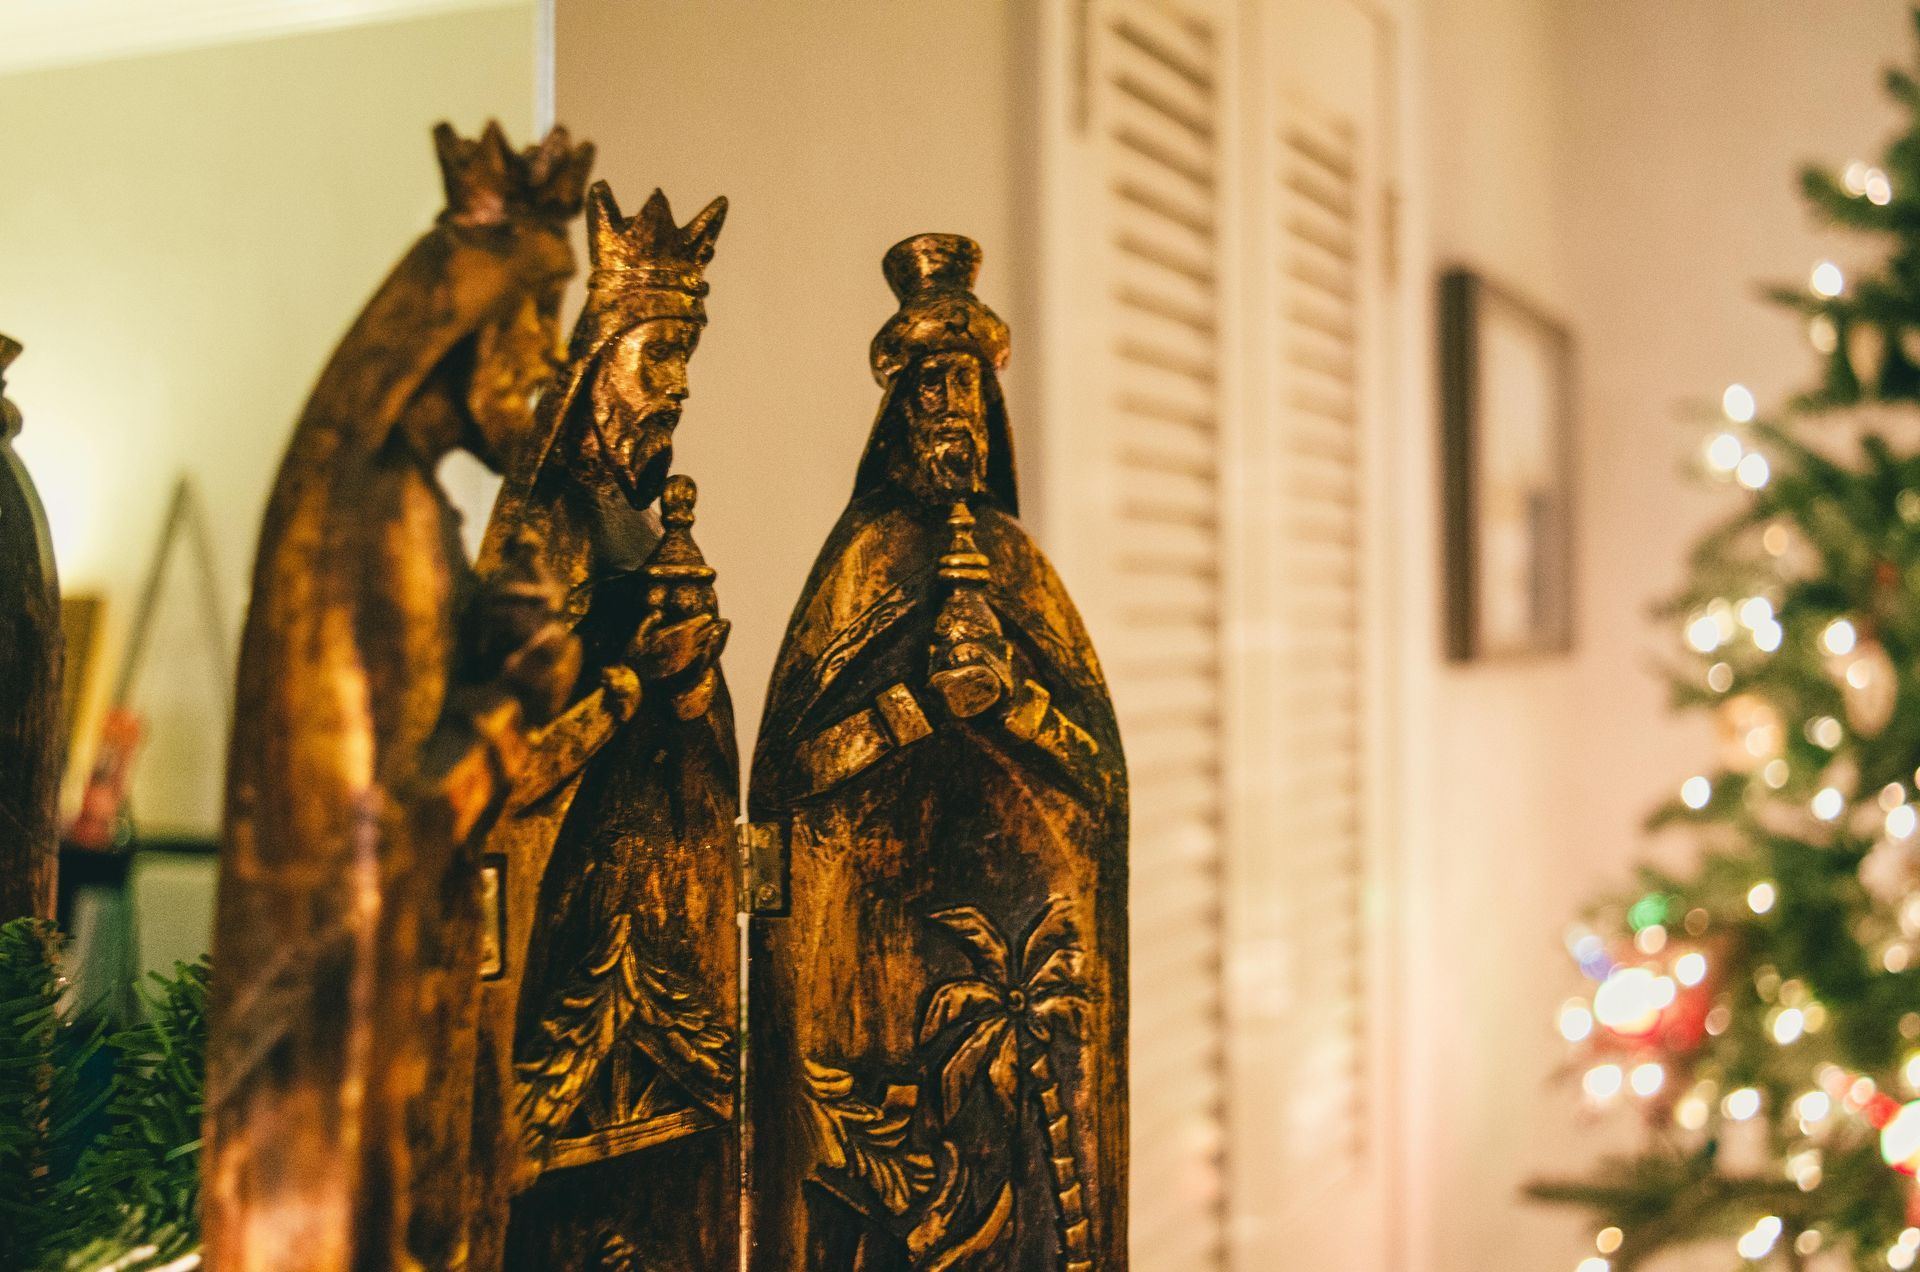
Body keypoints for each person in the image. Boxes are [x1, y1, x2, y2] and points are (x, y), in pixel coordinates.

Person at [748, 233, 1129, 1272]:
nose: (952, 417)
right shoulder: (861, 568)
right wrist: (920, 705)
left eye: (968, 394)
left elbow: (1093, 785)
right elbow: (793, 787)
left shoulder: (1019, 572)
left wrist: (1009, 709)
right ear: (898, 413)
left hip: (1010, 936)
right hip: (868, 943)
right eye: (931, 395)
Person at [468, 181, 737, 1272]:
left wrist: (691, 694)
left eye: (685, 359)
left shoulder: (636, 519)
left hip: (655, 924)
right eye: (655, 357)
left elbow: (692, 756)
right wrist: (635, 685)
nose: (675, 389)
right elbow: (497, 767)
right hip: (560, 948)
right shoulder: (548, 527)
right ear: (597, 362)